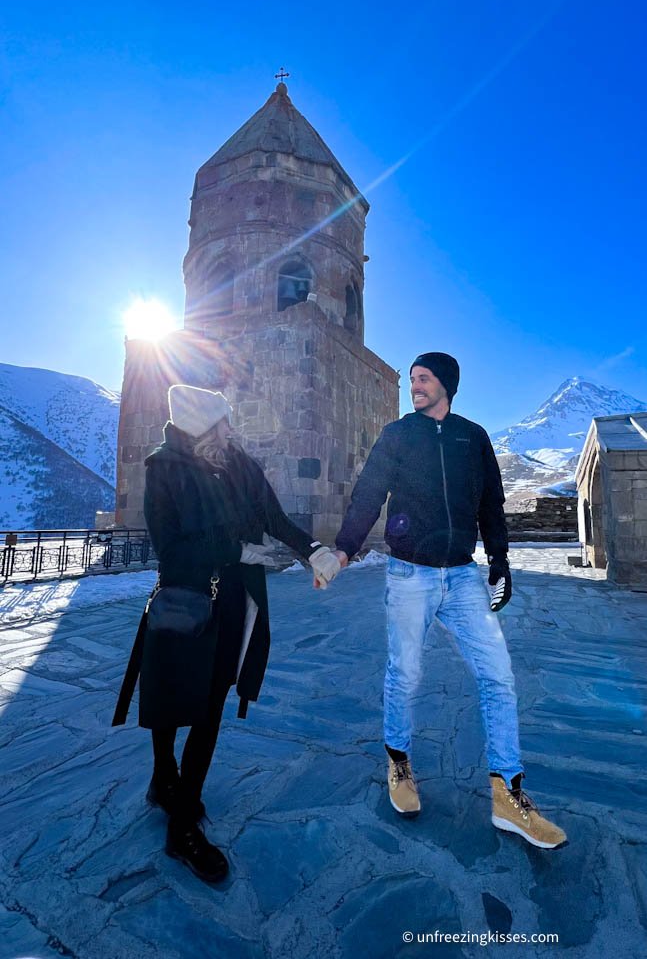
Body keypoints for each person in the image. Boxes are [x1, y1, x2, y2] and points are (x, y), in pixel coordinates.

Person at [332, 352, 567, 850]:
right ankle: (399, 764)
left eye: (423, 379)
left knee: (498, 678)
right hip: (409, 573)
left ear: (447, 384)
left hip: (462, 578)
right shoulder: (399, 434)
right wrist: (346, 546)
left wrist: (499, 560)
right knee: (406, 673)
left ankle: (508, 796)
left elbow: (490, 504)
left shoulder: (472, 437)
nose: (414, 386)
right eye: (412, 379)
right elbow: (369, 491)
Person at [113, 384, 340, 883]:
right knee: (172, 699)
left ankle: (183, 820)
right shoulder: (163, 470)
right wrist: (233, 551)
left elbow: (274, 516)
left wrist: (314, 550)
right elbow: (170, 551)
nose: (230, 429)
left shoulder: (238, 462)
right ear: (201, 424)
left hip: (232, 603)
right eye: (222, 421)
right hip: (186, 601)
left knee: (211, 704)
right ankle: (162, 777)